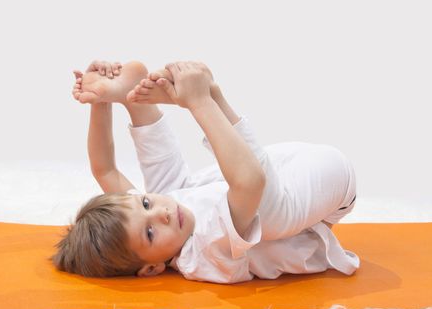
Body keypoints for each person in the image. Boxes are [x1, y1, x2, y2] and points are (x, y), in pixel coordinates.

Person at [51, 60, 359, 284]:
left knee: (172, 190)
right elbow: (251, 184)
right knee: (266, 213)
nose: (162, 215)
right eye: (150, 233)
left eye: (144, 204)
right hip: (330, 179)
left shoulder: (167, 220)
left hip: (288, 167)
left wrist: (100, 103)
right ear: (152, 269)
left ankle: (132, 98)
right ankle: (209, 99)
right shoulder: (203, 255)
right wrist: (199, 105)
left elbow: (104, 168)